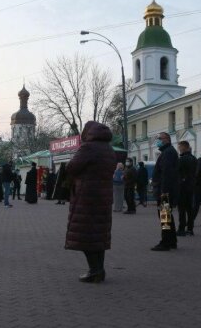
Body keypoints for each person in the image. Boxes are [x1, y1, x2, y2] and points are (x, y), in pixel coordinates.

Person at [65, 121, 115, 283]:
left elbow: (72, 167)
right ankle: (99, 269)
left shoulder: (88, 148)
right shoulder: (109, 149)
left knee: (86, 235)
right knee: (98, 235)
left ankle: (94, 271)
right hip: (103, 196)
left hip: (87, 196)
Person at [151, 132, 180, 251]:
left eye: (160, 138)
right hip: (167, 189)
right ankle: (172, 241)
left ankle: (165, 242)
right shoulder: (168, 152)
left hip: (165, 191)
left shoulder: (168, 153)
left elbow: (167, 174)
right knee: (167, 216)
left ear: (167, 139)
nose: (158, 141)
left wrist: (164, 191)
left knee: (165, 217)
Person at [177, 141, 197, 236]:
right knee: (190, 209)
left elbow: (177, 173)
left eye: (180, 147)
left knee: (181, 209)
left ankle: (181, 229)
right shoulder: (194, 159)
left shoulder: (181, 159)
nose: (179, 149)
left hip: (182, 187)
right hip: (191, 186)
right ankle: (190, 228)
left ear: (184, 147)